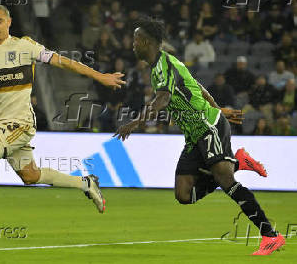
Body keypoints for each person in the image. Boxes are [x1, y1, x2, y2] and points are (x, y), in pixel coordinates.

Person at [0, 5, 125, 226]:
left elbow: (63, 62)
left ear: (9, 22)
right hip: (2, 127)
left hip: (20, 124)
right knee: (30, 176)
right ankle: (86, 183)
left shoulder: (25, 46)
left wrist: (100, 76)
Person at [113, 18, 285, 255]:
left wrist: (134, 123)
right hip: (194, 136)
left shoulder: (165, 66)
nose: (132, 45)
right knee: (184, 194)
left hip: (208, 127)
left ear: (145, 41)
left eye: (135, 40)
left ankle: (270, 235)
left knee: (227, 182)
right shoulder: (162, 67)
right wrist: (218, 107)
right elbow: (198, 87)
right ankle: (236, 162)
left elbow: (162, 99)